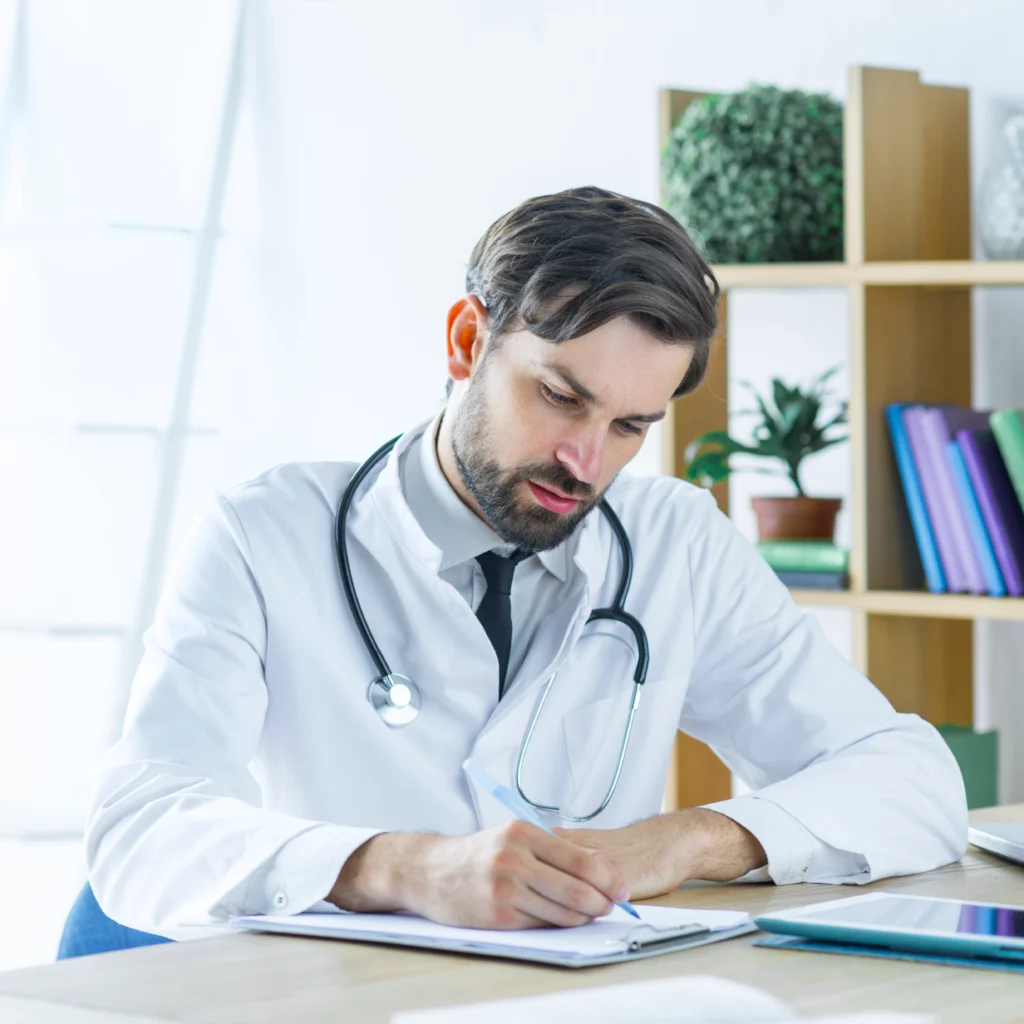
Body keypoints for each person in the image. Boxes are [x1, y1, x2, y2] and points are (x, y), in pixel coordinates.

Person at [85, 186, 967, 940]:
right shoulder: (263, 534)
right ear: (468, 340)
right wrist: (400, 868)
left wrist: (688, 840)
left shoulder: (673, 541)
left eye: (629, 428)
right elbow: (144, 830)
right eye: (559, 397)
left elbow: (912, 782)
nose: (586, 463)